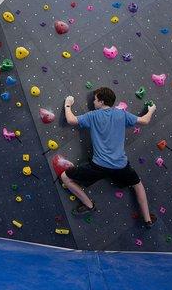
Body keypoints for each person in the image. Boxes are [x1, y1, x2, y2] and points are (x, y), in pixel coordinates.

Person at [62, 87, 156, 228]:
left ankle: (88, 204)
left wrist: (68, 104)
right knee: (138, 185)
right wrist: (152, 109)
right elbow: (144, 121)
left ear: (101, 101)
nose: (93, 102)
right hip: (121, 166)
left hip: (98, 166)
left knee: (65, 177)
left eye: (95, 99)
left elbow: (71, 120)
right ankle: (148, 219)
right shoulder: (121, 114)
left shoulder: (93, 115)